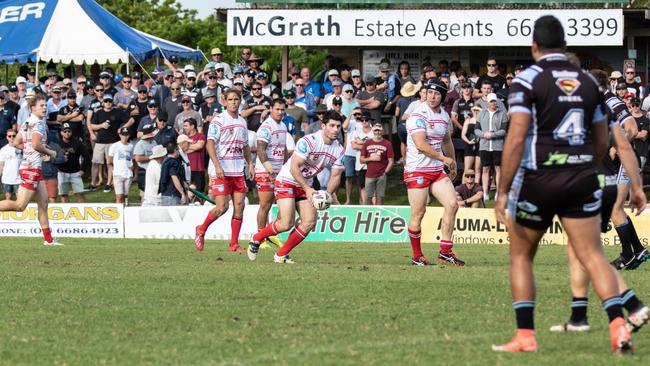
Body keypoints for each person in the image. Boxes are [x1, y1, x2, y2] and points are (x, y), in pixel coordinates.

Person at [493, 16, 633, 353]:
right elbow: (601, 141)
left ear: (534, 46)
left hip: (538, 179)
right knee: (593, 255)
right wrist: (582, 163)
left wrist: (502, 190)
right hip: (581, 177)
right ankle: (618, 326)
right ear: (566, 46)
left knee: (522, 256)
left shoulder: (526, 80)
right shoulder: (588, 82)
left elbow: (514, 140)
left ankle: (525, 336)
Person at [548, 69, 649, 338]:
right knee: (581, 252)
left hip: (589, 183)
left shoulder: (598, 102)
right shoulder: (594, 106)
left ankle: (632, 304)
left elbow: (630, 129)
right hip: (596, 181)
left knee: (587, 253)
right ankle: (582, 316)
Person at [247, 110, 345, 263]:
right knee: (286, 223)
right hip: (287, 180)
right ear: (323, 126)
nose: (335, 129)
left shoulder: (338, 149)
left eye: (338, 126)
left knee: (310, 221)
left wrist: (327, 194)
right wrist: (307, 189)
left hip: (306, 184)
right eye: (332, 125)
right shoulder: (309, 141)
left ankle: (280, 255)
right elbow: (294, 167)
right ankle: (257, 237)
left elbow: (336, 175)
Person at [404, 78, 462, 266]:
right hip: (417, 169)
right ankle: (417, 256)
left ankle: (445, 251)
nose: (432, 96)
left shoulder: (444, 116)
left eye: (437, 93)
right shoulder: (418, 115)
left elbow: (446, 141)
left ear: (442, 97)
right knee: (418, 213)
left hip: (436, 170)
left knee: (452, 204)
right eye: (429, 92)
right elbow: (421, 145)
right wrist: (444, 159)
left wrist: (452, 163)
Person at [194, 89, 254, 253]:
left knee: (240, 205)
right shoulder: (218, 120)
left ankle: (233, 244)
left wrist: (250, 164)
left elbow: (245, 146)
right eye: (231, 99)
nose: (234, 102)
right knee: (222, 207)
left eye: (236, 99)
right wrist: (217, 165)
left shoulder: (242, 122)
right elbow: (210, 143)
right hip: (221, 170)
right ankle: (201, 229)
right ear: (224, 101)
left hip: (237, 170)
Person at [0, 94, 62, 246]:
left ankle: (48, 240)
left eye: (45, 105)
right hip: (32, 169)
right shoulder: (39, 123)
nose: (45, 108)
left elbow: (15, 142)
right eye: (42, 106)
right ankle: (49, 239)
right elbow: (35, 144)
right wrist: (50, 152)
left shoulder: (27, 122)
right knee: (20, 206)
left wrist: (34, 150)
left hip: (31, 167)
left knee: (43, 203)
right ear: (32, 108)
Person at [254, 99, 289, 249]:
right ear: (270, 109)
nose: (280, 112)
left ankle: (271, 235)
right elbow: (260, 149)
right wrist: (269, 169)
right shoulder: (266, 127)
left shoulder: (283, 125)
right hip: (265, 171)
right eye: (277, 109)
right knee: (265, 205)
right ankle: (260, 237)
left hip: (280, 171)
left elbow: (284, 148)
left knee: (282, 205)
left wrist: (286, 166)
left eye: (282, 110)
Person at [474, 93, 508, 202]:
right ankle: (485, 193)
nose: (493, 103)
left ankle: (498, 192)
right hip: (484, 146)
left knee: (498, 169)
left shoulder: (502, 114)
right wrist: (484, 135)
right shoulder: (481, 114)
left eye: (495, 101)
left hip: (498, 146)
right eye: (491, 101)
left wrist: (491, 135)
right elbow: (476, 130)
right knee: (485, 169)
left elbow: (503, 130)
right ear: (487, 102)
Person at [360, 123, 394, 205]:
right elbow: (361, 160)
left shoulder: (387, 144)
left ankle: (378, 214)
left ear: (382, 131)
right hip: (369, 174)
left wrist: (385, 172)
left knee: (379, 197)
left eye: (379, 130)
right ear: (373, 131)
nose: (377, 132)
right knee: (367, 197)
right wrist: (371, 158)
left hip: (381, 174)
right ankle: (367, 214)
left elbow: (391, 160)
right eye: (376, 130)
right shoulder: (367, 143)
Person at [58, 123, 86, 203]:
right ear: (61, 132)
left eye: (69, 131)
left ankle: (81, 212)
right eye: (65, 131)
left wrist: (82, 169)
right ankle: (65, 213)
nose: (67, 133)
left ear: (71, 132)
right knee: (63, 194)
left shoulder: (77, 143)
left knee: (80, 193)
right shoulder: (57, 144)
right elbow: (54, 158)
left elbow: (85, 156)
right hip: (61, 172)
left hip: (75, 172)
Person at [108, 127, 134, 204]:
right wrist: (113, 171)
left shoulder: (131, 146)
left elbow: (132, 158)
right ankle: (119, 212)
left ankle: (125, 210)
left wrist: (132, 168)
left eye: (126, 135)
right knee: (119, 196)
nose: (124, 137)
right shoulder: (114, 146)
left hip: (128, 174)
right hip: (118, 173)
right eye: (123, 135)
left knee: (125, 196)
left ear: (129, 135)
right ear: (120, 135)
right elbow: (109, 161)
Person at [182, 118, 207, 193]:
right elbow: (182, 149)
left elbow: (200, 146)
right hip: (187, 170)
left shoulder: (200, 136)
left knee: (199, 192)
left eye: (186, 126)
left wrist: (187, 148)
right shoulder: (184, 138)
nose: (184, 128)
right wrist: (193, 147)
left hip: (198, 169)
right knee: (188, 192)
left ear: (192, 126)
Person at [460, 105, 482, 184]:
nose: (476, 111)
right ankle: (462, 188)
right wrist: (468, 142)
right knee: (467, 168)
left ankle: (476, 188)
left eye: (477, 110)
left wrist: (480, 111)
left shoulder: (482, 120)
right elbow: (463, 135)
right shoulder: (468, 120)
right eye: (474, 110)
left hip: (480, 145)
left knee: (477, 169)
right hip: (469, 145)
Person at [0, 130, 21, 199]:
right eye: (9, 136)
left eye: (14, 136)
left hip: (19, 179)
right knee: (8, 197)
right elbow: (1, 165)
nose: (12, 137)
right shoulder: (3, 150)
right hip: (7, 178)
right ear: (7, 137)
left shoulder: (22, 148)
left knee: (20, 199)